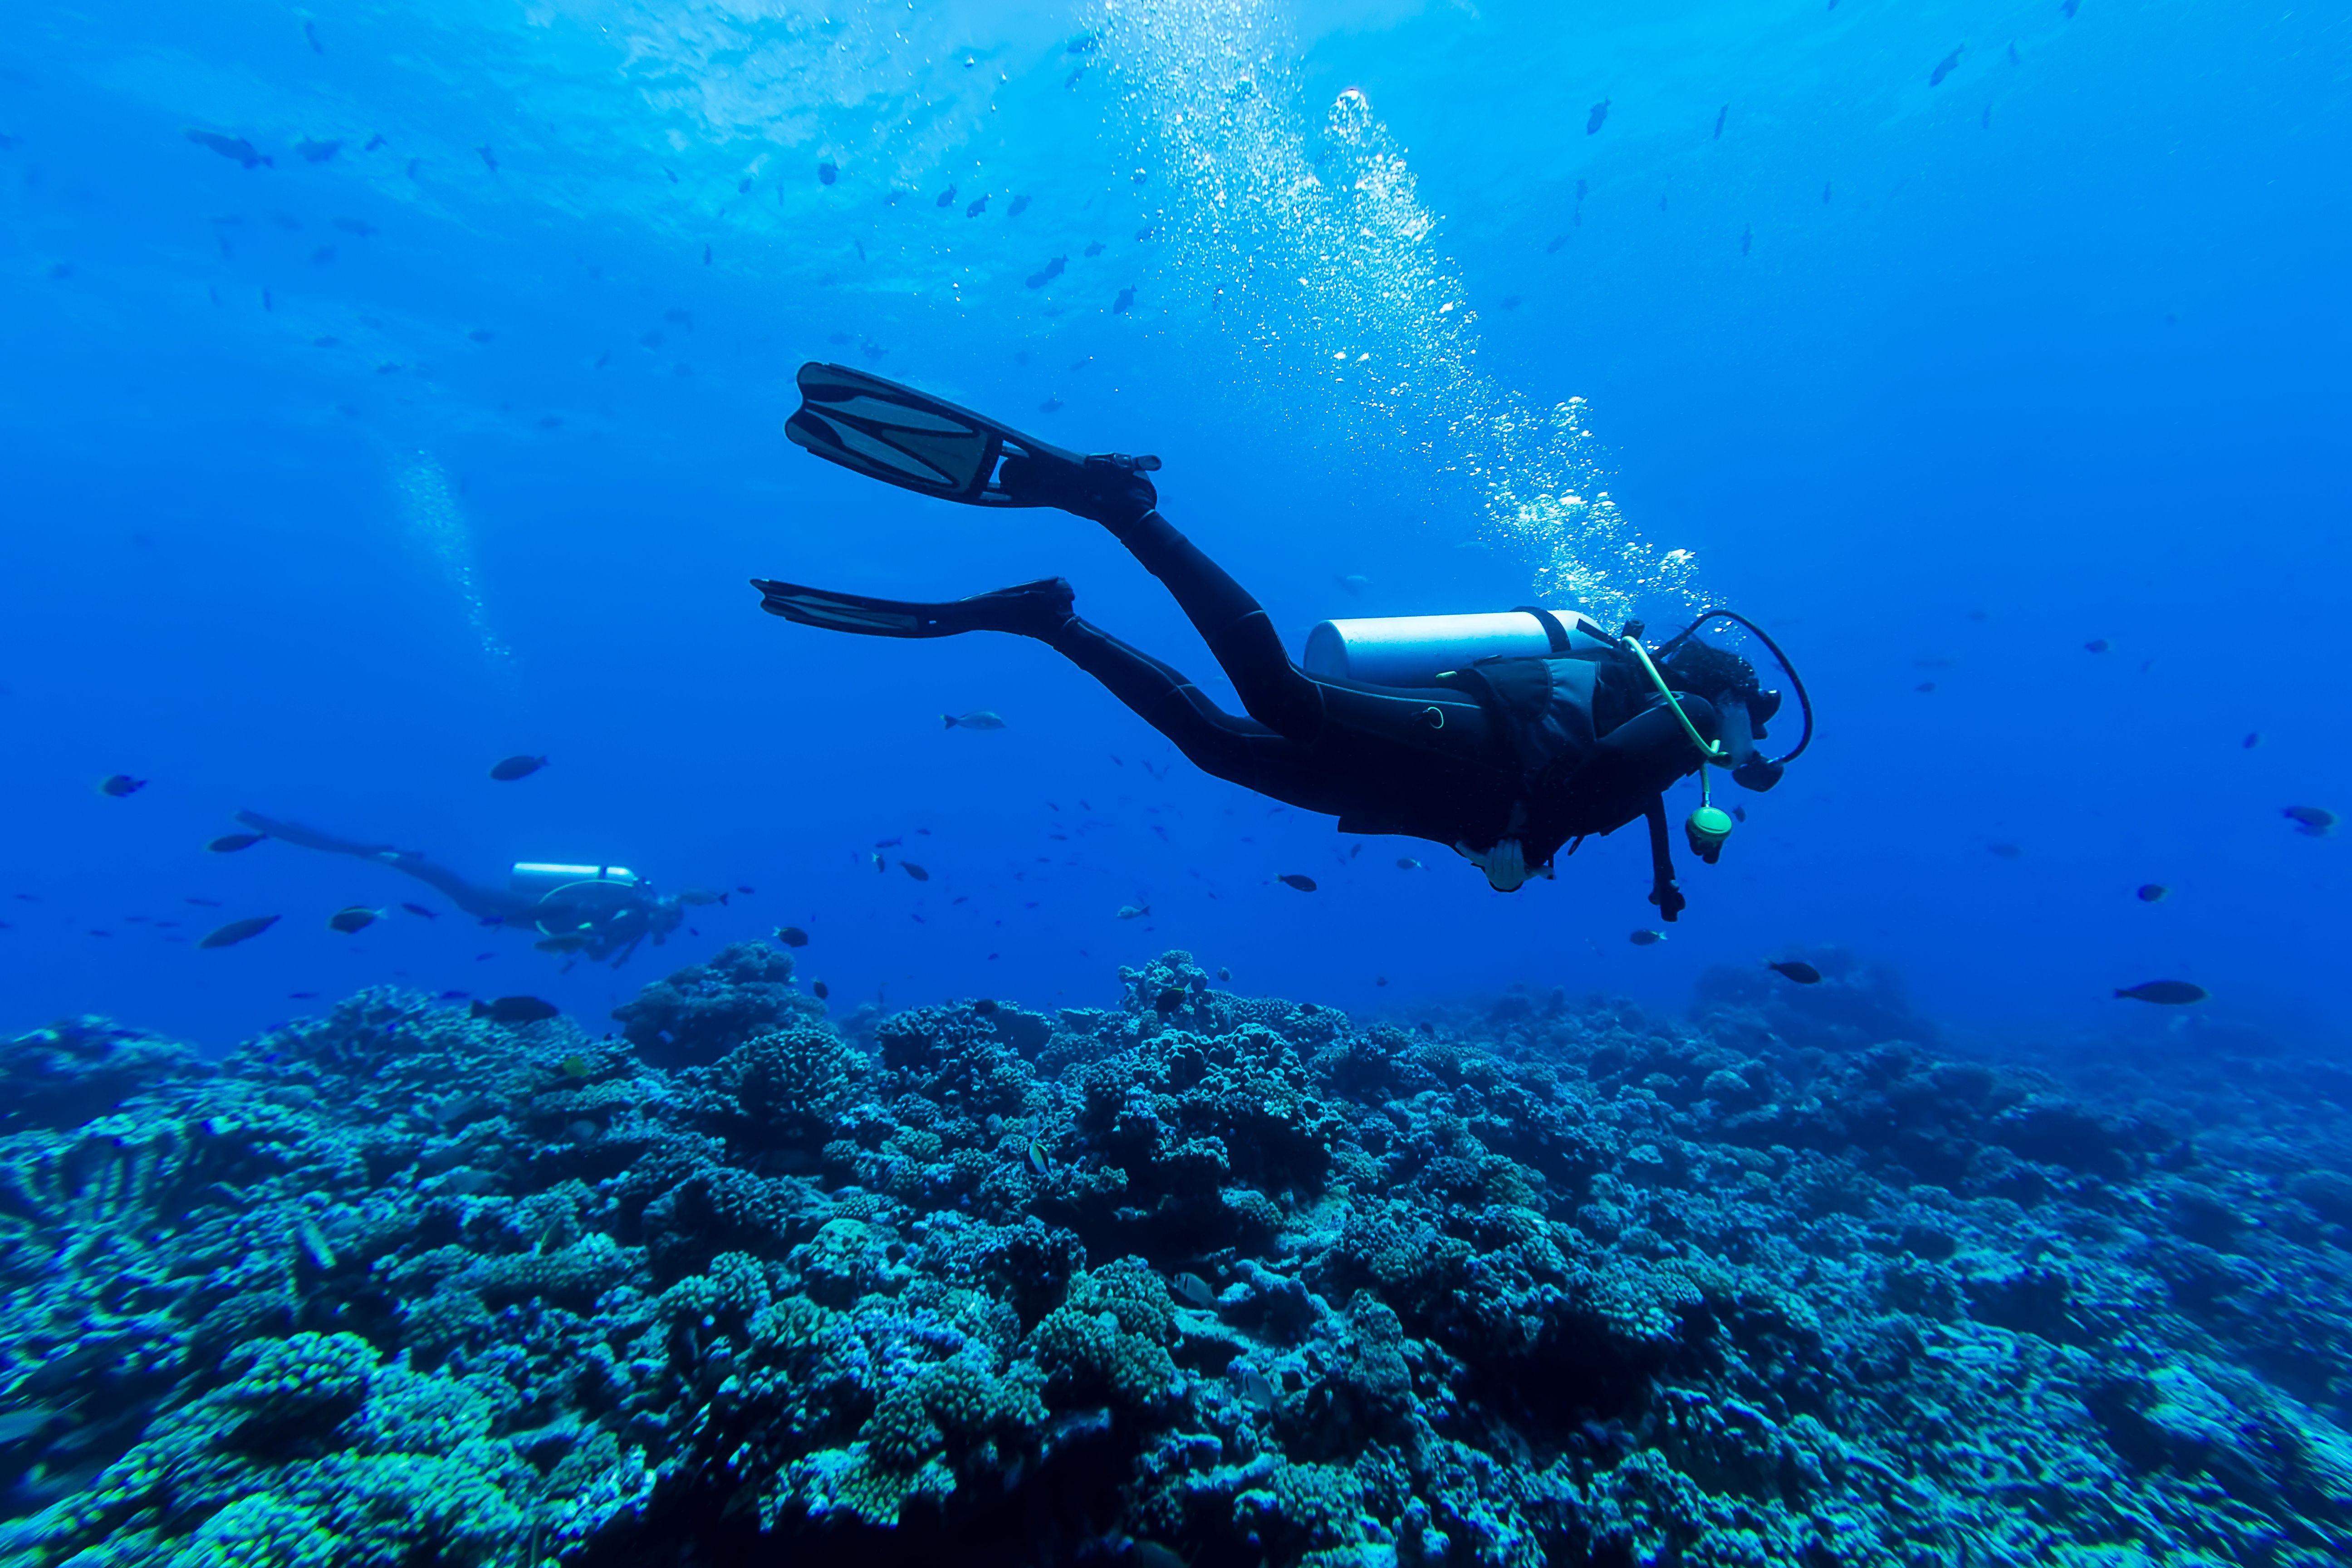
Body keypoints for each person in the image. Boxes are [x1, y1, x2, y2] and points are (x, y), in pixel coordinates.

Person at [755, 364, 1809, 919]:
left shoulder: (1675, 728)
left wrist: (1514, 847)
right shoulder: (1683, 730)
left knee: (1216, 744)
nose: (1745, 756)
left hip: (1445, 790)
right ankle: (1118, 507)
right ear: (1739, 705)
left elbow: (1589, 795)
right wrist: (1525, 852)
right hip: (1479, 742)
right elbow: (1588, 782)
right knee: (1274, 697)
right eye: (1752, 733)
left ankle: (1051, 618)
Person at [232, 809, 716, 964]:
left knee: (463, 896)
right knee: (461, 892)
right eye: (671, 922)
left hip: (528, 914)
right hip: (526, 908)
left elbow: (589, 940)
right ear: (665, 911)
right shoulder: (632, 911)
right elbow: (588, 937)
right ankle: (390, 856)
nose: (668, 929)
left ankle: (390, 857)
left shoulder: (632, 911)